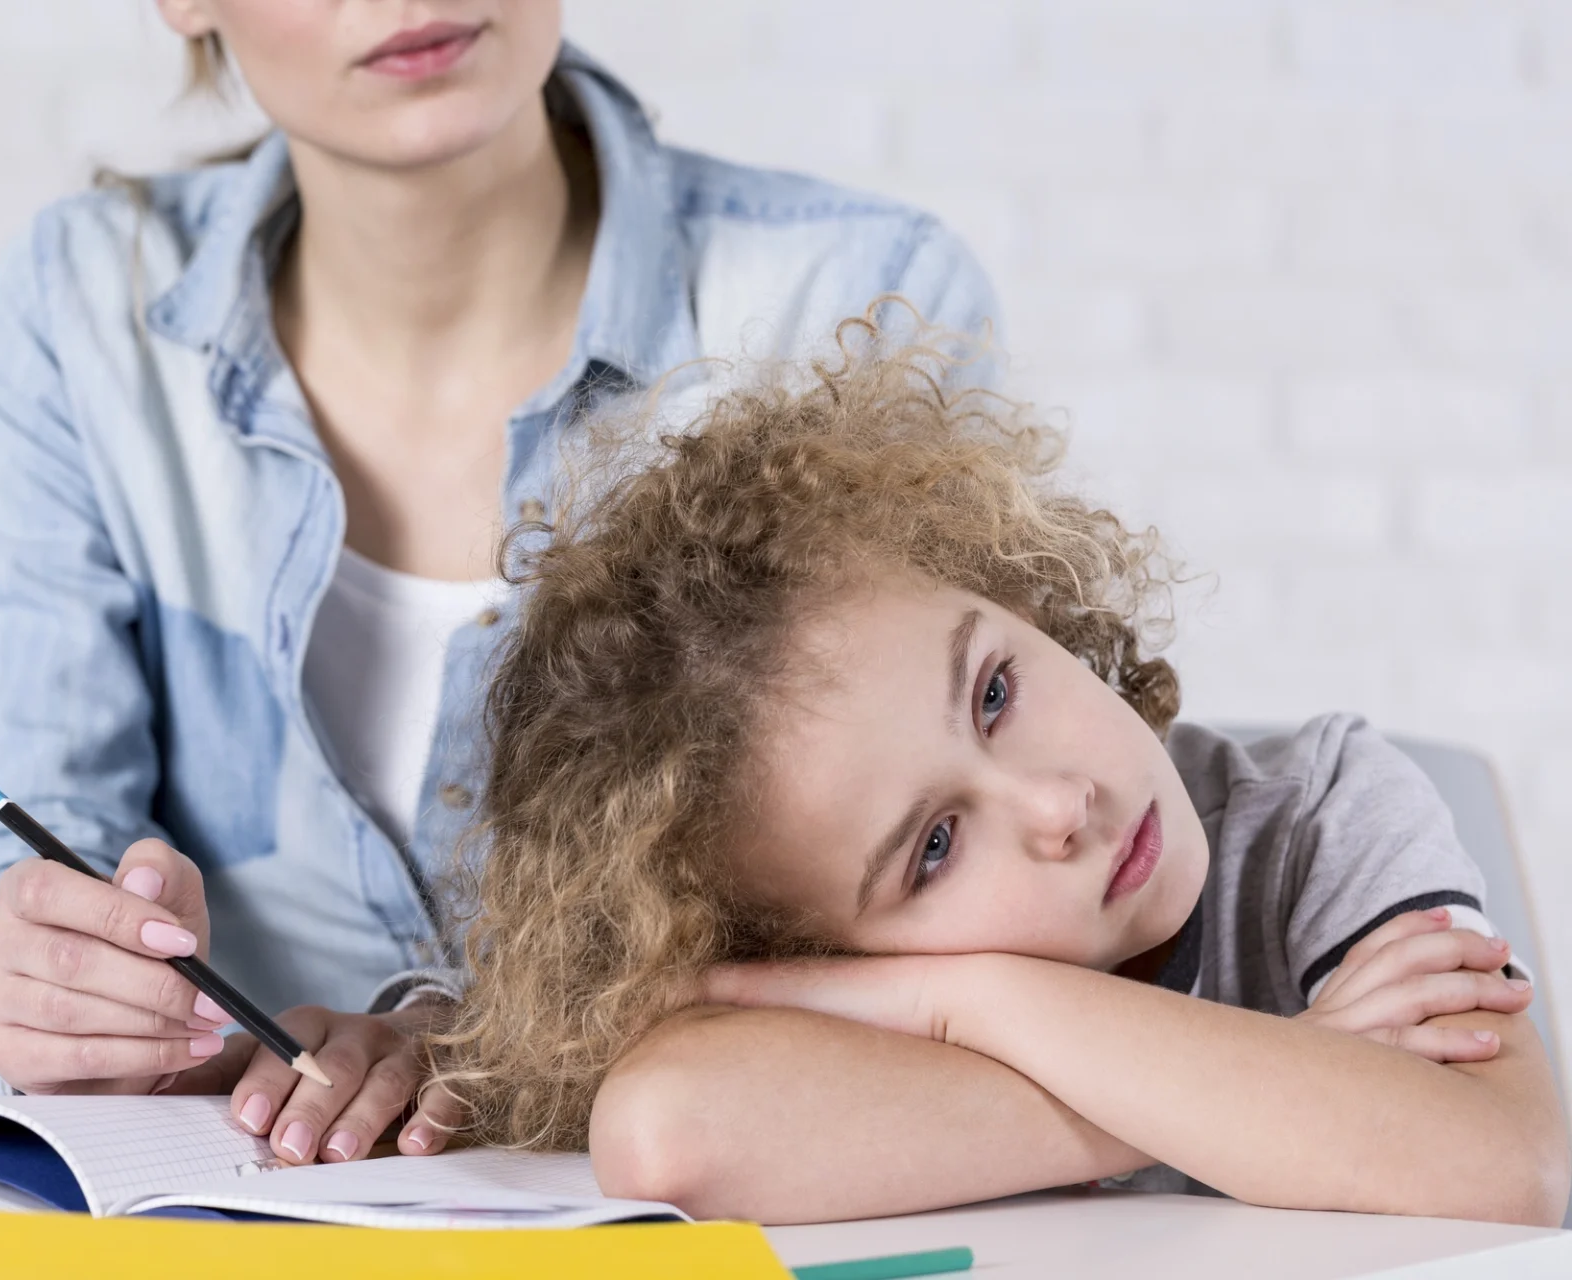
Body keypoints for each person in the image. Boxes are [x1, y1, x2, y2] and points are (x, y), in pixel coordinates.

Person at [0, 0, 999, 1175]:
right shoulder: (82, 309)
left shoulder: (857, 295)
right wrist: (65, 992)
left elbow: (966, 912)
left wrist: (497, 1050)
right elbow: (18, 862)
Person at [430, 313, 1572, 1227]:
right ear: (814, 958)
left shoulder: (1320, 812)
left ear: (1017, 599)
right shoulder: (865, 996)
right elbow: (669, 1131)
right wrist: (1292, 1078)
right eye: (932, 847)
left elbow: (1506, 1163)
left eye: (995, 692)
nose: (1058, 804)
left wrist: (962, 1005)